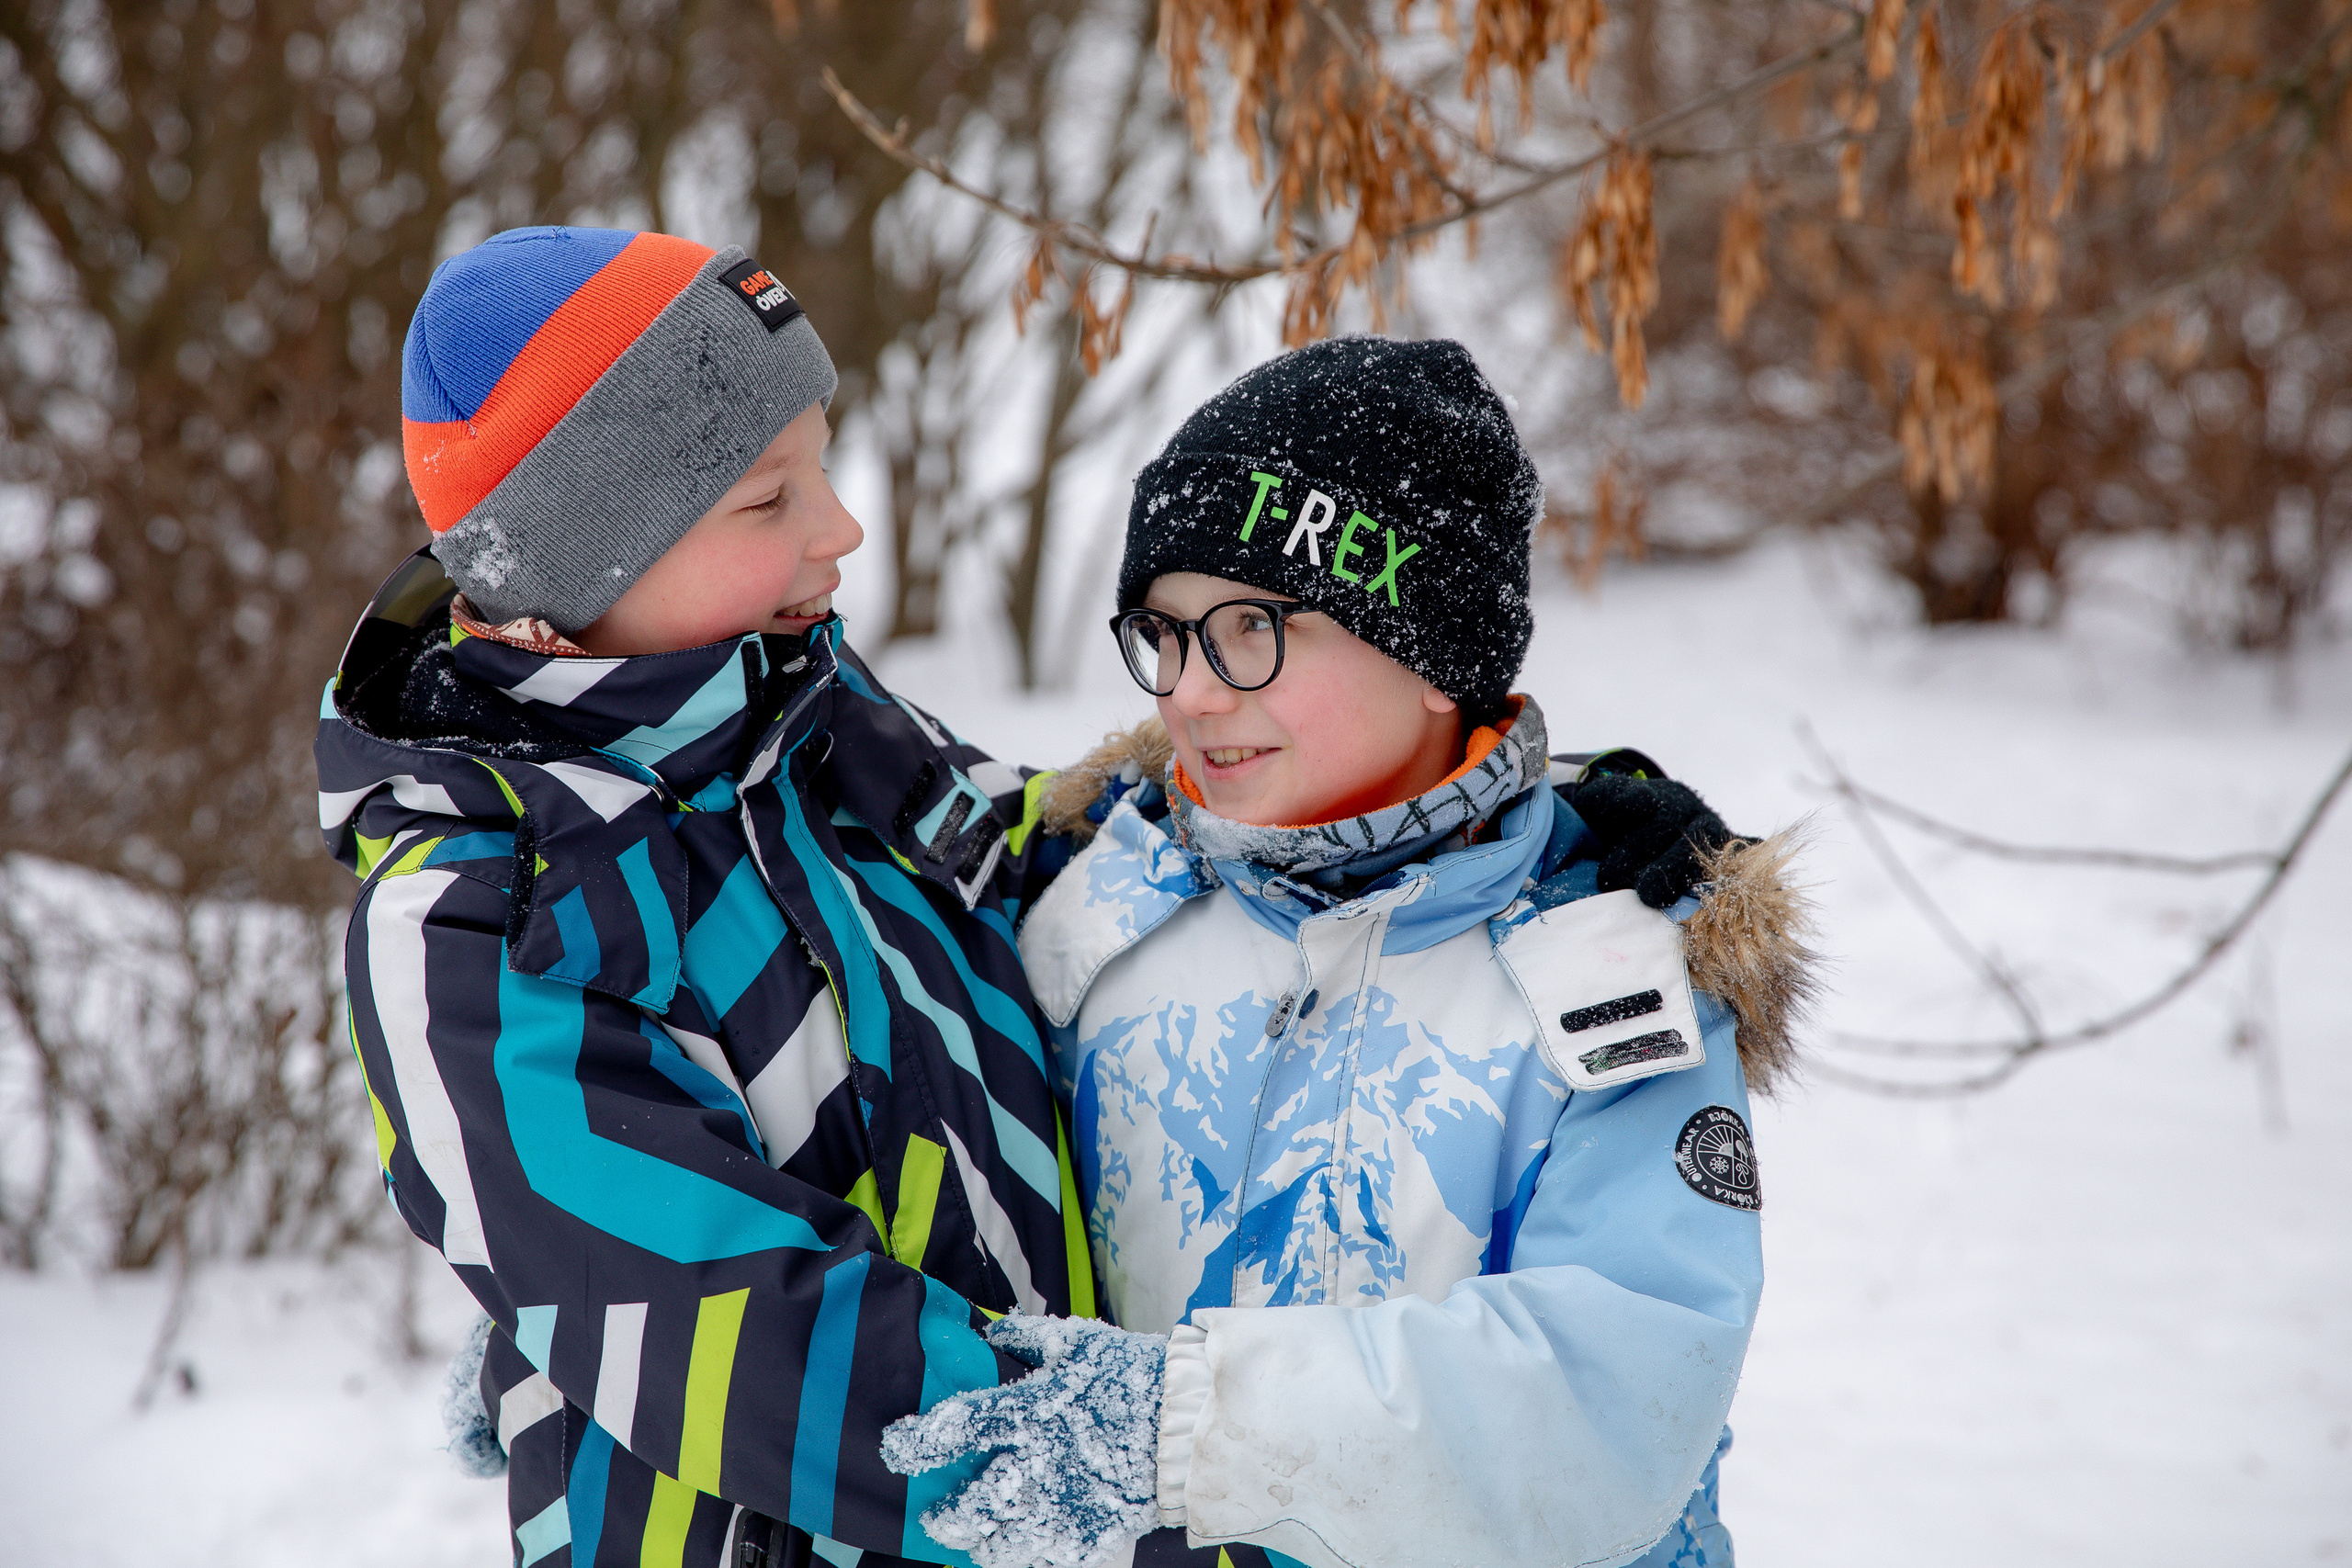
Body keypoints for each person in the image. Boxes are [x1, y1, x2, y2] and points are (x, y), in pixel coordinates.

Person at [320, 229, 1740, 1568]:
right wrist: (578, 1309)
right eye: (771, 498)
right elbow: (738, 1334)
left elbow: (1016, 844)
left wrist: (1539, 825)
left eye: (822, 464)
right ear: (595, 562)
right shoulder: (478, 913)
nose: (845, 526)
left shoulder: (802, 715)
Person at [884, 337, 1817, 1568]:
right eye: (1163, 635)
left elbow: (1615, 1394)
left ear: (1439, 659)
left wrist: (1180, 1429)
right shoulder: (1098, 910)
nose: (1190, 695)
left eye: (1251, 630)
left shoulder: (1605, 988)